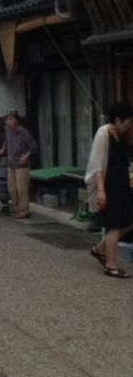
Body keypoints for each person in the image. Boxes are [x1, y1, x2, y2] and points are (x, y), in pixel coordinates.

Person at [86, 102, 133, 279]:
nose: (129, 125)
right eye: (128, 122)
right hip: (109, 186)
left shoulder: (121, 135)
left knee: (128, 221)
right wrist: (100, 190)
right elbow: (97, 164)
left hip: (122, 185)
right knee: (115, 225)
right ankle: (111, 265)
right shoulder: (103, 133)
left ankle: (100, 249)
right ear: (118, 120)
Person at [0, 109, 37, 220]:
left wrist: (26, 156)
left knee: (21, 189)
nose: (9, 122)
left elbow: (34, 147)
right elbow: (6, 142)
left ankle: (24, 211)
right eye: (7, 119)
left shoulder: (23, 132)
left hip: (22, 165)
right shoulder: (8, 131)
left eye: (11, 119)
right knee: (12, 189)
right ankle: (17, 209)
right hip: (11, 163)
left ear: (17, 120)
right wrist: (2, 151)